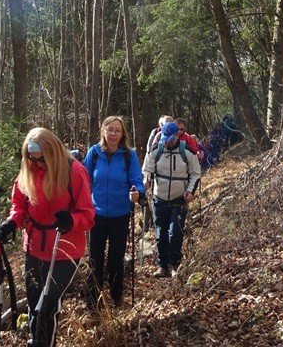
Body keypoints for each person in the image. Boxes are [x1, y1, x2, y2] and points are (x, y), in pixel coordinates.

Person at [0, 128, 94, 347]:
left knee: (47, 306)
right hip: (33, 246)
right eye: (33, 159)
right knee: (33, 302)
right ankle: (37, 340)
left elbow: (87, 214)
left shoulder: (75, 172)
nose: (38, 164)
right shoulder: (28, 170)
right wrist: (12, 222)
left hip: (64, 248)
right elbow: (19, 205)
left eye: (42, 160)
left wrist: (71, 220)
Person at [82, 115, 146, 308]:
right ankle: (94, 302)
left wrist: (137, 193)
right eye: (110, 129)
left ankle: (117, 298)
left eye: (117, 130)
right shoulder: (93, 153)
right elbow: (84, 180)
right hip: (96, 215)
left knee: (116, 260)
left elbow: (137, 180)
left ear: (122, 134)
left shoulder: (128, 155)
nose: (113, 134)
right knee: (95, 260)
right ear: (103, 131)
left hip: (120, 214)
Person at [142, 121, 201, 278]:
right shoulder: (156, 150)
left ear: (177, 135)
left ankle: (174, 264)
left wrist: (190, 191)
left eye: (170, 137)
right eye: (164, 137)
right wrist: (146, 181)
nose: (167, 141)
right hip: (159, 198)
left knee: (175, 233)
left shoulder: (187, 151)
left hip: (178, 199)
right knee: (160, 234)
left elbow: (196, 173)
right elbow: (147, 169)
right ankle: (162, 266)